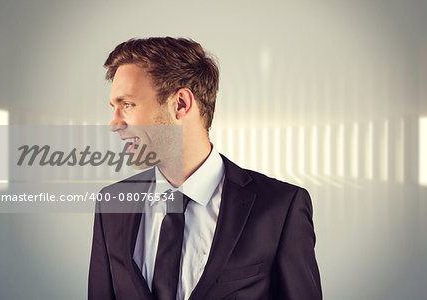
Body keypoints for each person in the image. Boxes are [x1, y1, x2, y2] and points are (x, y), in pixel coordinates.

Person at [88, 37, 322, 300]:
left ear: (181, 104)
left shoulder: (280, 207)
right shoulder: (112, 204)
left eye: (127, 105)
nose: (114, 124)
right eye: (114, 107)